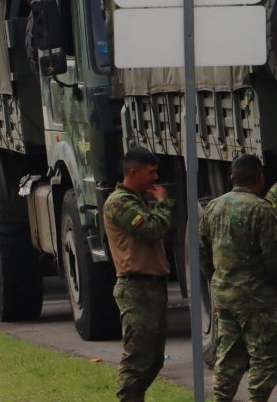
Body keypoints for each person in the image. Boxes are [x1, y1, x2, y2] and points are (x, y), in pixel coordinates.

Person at [198, 154, 277, 401]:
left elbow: (201, 250)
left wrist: (216, 278)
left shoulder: (214, 206)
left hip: (224, 296)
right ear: (261, 179)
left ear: (231, 178)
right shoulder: (262, 210)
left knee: (228, 356)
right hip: (256, 299)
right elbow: (272, 257)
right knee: (264, 357)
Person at [103, 147, 173, 402]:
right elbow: (151, 230)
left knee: (153, 360)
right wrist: (163, 203)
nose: (155, 178)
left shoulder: (138, 200)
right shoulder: (120, 203)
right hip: (136, 290)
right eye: (150, 172)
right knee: (136, 361)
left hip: (152, 288)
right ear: (132, 172)